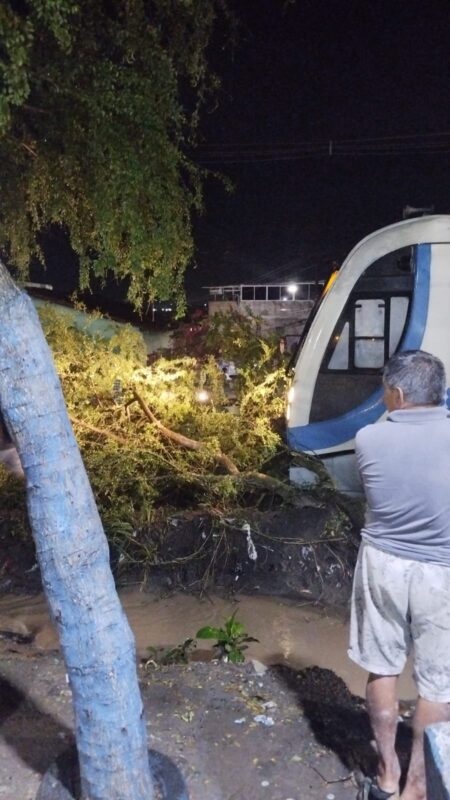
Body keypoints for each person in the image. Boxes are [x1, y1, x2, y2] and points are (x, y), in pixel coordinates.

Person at [348, 350, 450, 800]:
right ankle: (417, 788)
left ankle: (387, 772)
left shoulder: (368, 438)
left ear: (399, 394)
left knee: (382, 665)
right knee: (437, 684)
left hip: (383, 564)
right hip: (443, 571)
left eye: (386, 391)